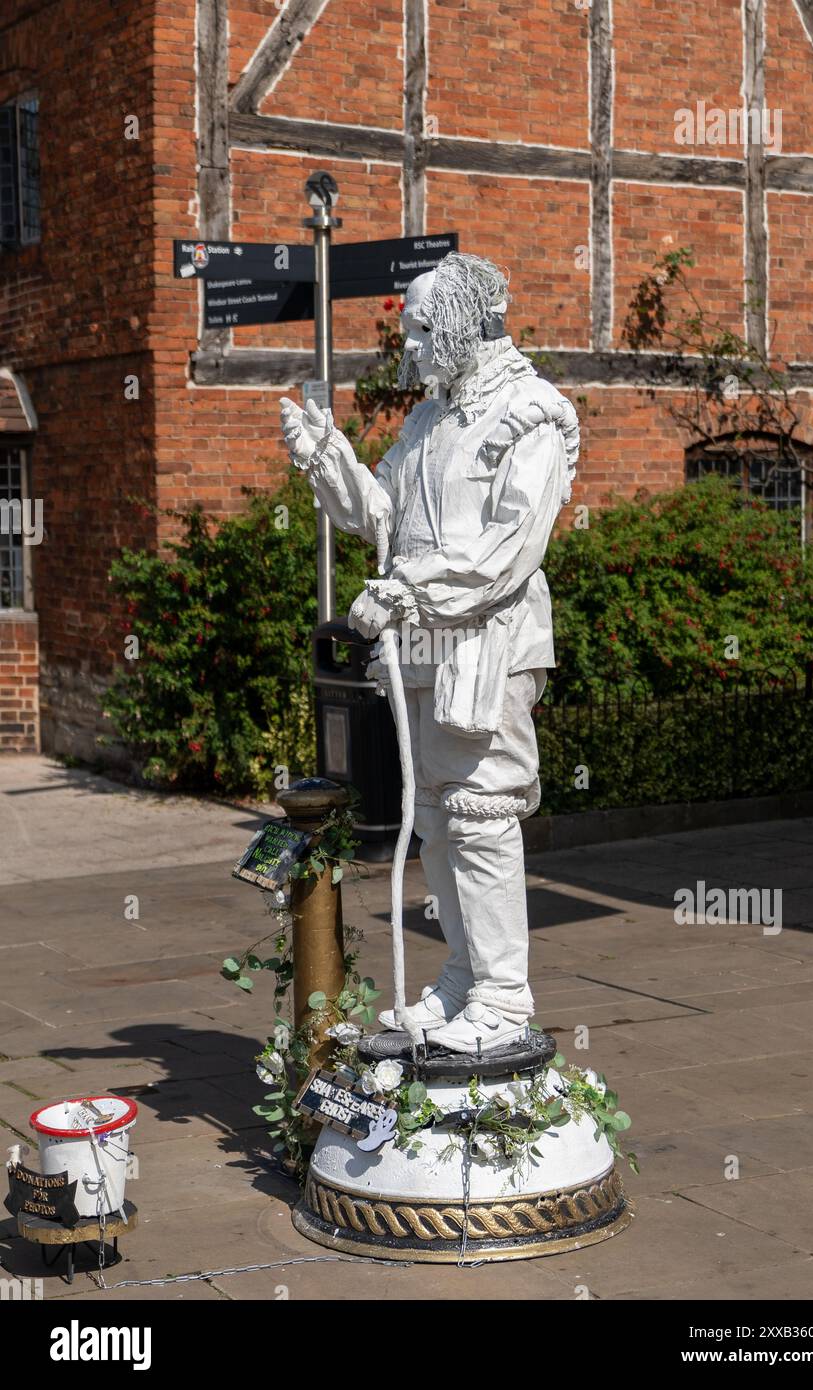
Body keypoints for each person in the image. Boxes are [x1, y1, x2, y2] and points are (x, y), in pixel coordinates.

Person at [280, 251, 579, 1053]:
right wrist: (329, 457)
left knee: (480, 816)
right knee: (439, 823)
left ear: (455, 326)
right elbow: (383, 519)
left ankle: (506, 995)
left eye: (416, 332)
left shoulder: (532, 413)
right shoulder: (427, 421)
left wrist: (409, 593)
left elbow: (506, 551)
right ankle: (463, 977)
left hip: (485, 643)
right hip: (422, 647)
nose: (406, 348)